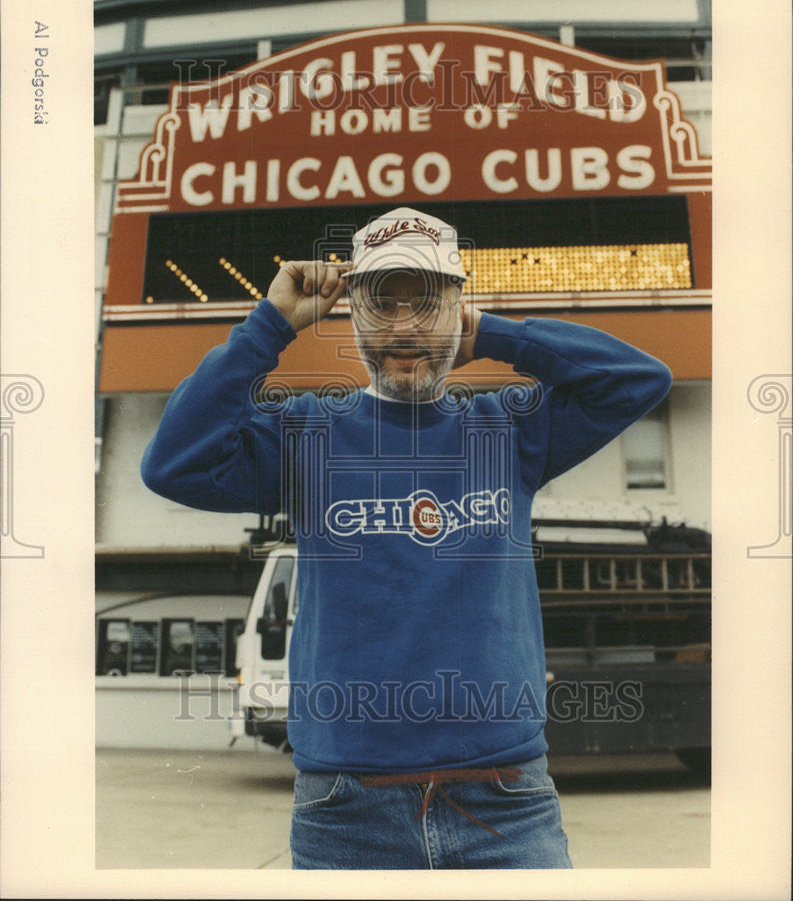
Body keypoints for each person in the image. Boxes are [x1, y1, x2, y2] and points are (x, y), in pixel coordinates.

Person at [141, 206, 672, 870]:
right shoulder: (308, 436)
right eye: (379, 304)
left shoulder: (507, 430)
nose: (402, 327)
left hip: (506, 802)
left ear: (458, 308)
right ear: (350, 314)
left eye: (426, 303)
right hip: (346, 811)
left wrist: (495, 334)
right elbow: (172, 465)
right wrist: (267, 327)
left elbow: (638, 380)